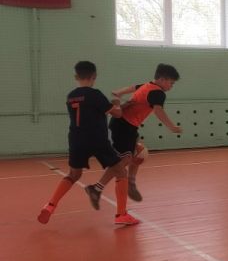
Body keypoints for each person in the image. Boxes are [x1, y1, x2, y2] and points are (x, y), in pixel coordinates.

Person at [38, 61, 138, 225]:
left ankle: (50, 205)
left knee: (73, 174)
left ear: (76, 76)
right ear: (94, 76)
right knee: (120, 172)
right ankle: (121, 215)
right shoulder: (95, 94)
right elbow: (117, 114)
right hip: (97, 139)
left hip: (76, 139)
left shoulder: (71, 96)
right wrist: (117, 103)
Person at [106, 64, 183, 202]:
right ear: (162, 79)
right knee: (124, 160)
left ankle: (131, 182)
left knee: (138, 154)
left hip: (127, 126)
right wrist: (171, 127)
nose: (171, 86)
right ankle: (98, 186)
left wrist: (119, 92)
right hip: (123, 125)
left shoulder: (148, 85)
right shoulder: (158, 93)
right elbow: (158, 110)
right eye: (171, 83)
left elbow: (133, 87)